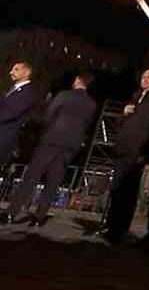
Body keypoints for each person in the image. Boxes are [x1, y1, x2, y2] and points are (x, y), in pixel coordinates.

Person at [2, 73, 98, 226]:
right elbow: (86, 125)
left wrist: (45, 130)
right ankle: (39, 217)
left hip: (52, 139)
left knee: (32, 176)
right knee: (54, 181)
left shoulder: (64, 95)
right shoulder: (92, 104)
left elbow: (49, 115)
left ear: (78, 80)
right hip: (70, 145)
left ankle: (12, 212)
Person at [100, 68, 149, 244]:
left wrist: (148, 150)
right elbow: (121, 124)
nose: (145, 80)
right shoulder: (135, 97)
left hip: (138, 150)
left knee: (128, 191)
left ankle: (120, 229)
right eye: (143, 76)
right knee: (116, 189)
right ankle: (111, 226)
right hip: (124, 147)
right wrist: (124, 113)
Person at [0, 62, 38, 169]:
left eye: (16, 69)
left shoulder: (27, 93)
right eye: (12, 69)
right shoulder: (13, 90)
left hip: (4, 137)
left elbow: (10, 113)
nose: (11, 72)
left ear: (27, 72)